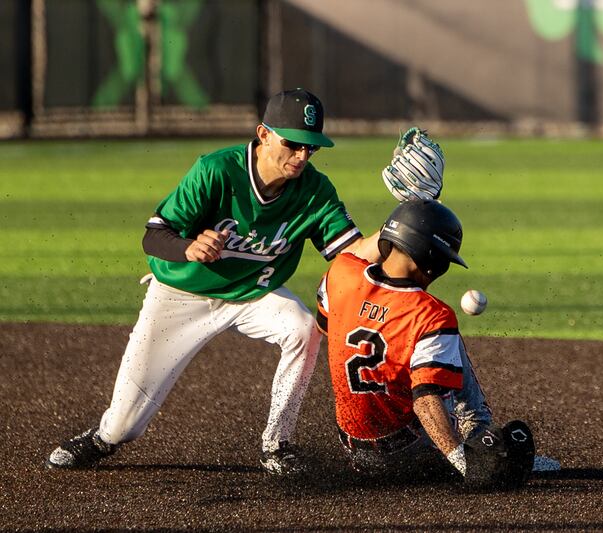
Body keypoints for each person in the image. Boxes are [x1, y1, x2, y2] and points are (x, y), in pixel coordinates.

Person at [46, 88, 382, 474]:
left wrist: (400, 225)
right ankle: (102, 437)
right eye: (293, 144)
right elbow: (154, 235)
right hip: (180, 294)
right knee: (123, 428)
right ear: (263, 134)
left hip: (252, 293)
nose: (303, 155)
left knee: (303, 328)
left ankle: (277, 444)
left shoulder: (315, 191)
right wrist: (188, 247)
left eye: (312, 147)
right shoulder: (216, 171)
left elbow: (353, 253)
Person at [316, 199, 536, 486]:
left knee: (426, 349)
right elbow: (426, 401)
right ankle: (477, 431)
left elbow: (325, 328)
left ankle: (472, 437)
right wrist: (464, 464)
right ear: (430, 256)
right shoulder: (431, 313)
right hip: (407, 451)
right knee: (446, 344)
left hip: (351, 446)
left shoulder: (341, 271)